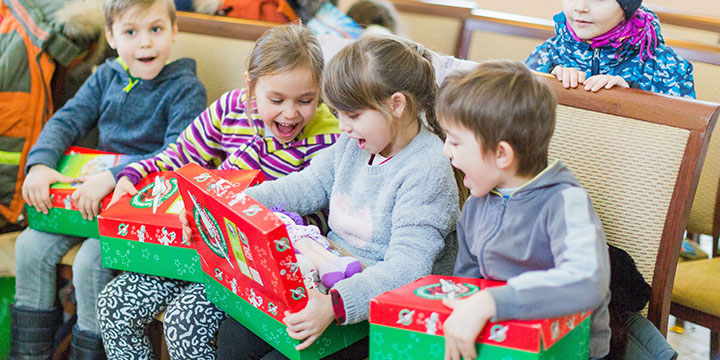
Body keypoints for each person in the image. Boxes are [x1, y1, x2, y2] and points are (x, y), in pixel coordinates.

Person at [97, 24, 340, 359]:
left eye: (305, 100)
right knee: (115, 303)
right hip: (192, 247)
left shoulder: (328, 141)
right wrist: (132, 174)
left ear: (321, 94)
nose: (290, 112)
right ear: (250, 87)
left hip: (245, 269)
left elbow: (317, 222)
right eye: (276, 99)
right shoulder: (230, 109)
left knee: (185, 321)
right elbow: (179, 155)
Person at [214, 35, 462, 359]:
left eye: (353, 115)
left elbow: (408, 268)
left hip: (375, 310)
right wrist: (233, 202)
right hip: (330, 278)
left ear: (397, 105)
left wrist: (335, 304)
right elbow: (304, 186)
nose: (342, 126)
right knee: (234, 334)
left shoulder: (428, 168)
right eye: (338, 113)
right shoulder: (354, 144)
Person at [11, 0, 206, 357]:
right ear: (112, 36)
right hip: (92, 199)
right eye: (131, 32)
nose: (145, 42)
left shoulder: (186, 88)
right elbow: (66, 120)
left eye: (156, 29)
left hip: (137, 207)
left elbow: (179, 156)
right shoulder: (106, 76)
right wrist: (39, 164)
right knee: (28, 247)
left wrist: (115, 178)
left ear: (174, 32)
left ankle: (89, 350)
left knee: (89, 261)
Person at [437, 60, 611, 360]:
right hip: (499, 342)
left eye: (454, 141)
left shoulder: (566, 202)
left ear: (501, 153)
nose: (445, 150)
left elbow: (587, 280)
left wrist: (491, 301)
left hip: (569, 350)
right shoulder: (476, 204)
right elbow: (466, 285)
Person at [525, 0, 695, 97]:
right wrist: (549, 84)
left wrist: (633, 97)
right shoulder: (547, 54)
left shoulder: (669, 68)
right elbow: (510, 119)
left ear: (627, 8)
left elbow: (680, 145)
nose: (580, 7)